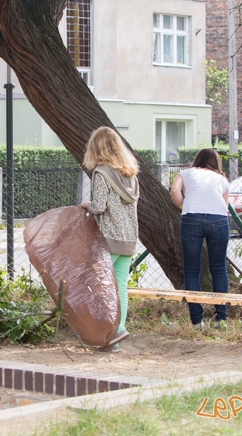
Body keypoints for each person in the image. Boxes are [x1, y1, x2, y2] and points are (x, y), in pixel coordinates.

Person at [81, 127, 139, 351]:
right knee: (120, 287)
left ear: (96, 148)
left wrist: (87, 205)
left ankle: (105, 333)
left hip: (108, 239)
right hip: (128, 238)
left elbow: (99, 206)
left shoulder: (101, 173)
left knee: (99, 287)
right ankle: (119, 329)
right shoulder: (130, 174)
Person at [170, 148, 230, 329]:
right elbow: (225, 205)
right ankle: (221, 319)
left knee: (191, 270)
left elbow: (174, 190)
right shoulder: (222, 179)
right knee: (219, 268)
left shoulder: (186, 173)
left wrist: (182, 204)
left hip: (192, 218)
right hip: (218, 220)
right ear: (216, 162)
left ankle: (197, 321)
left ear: (197, 160)